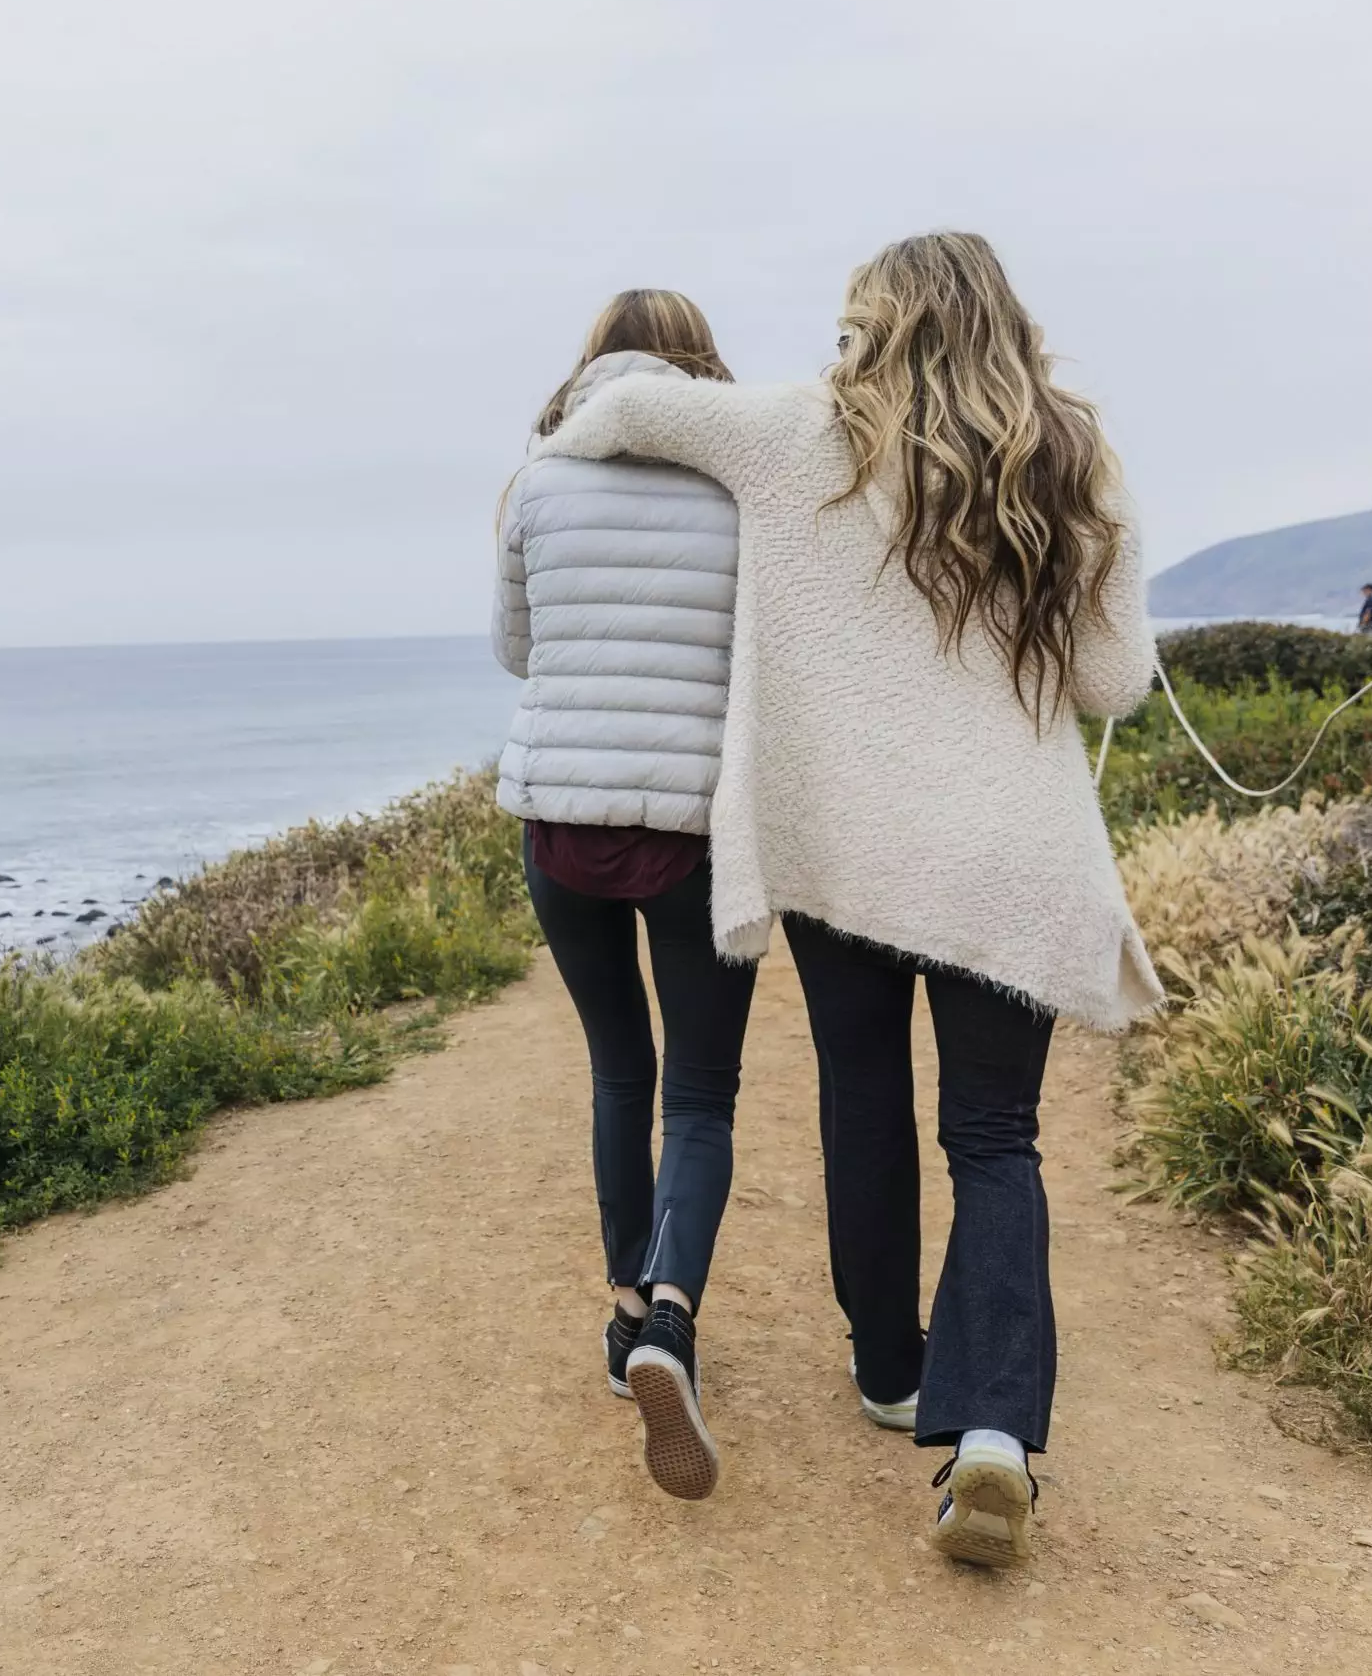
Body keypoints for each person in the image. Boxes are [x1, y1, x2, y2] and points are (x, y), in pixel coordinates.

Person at [539, 231, 1160, 1566]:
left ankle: (890, 1367)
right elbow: (1113, 678)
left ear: (876, 324)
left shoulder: (798, 431)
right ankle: (990, 1435)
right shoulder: (1073, 453)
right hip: (1011, 858)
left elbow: (622, 406)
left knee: (861, 1095)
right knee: (995, 1137)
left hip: (848, 856)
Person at [493, 288, 757, 1501]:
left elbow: (516, 649)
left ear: (593, 363)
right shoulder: (740, 485)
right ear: (700, 366)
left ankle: (619, 1315)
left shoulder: (536, 480)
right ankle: (667, 1321)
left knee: (620, 1071)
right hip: (697, 829)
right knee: (700, 1096)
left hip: (565, 823)